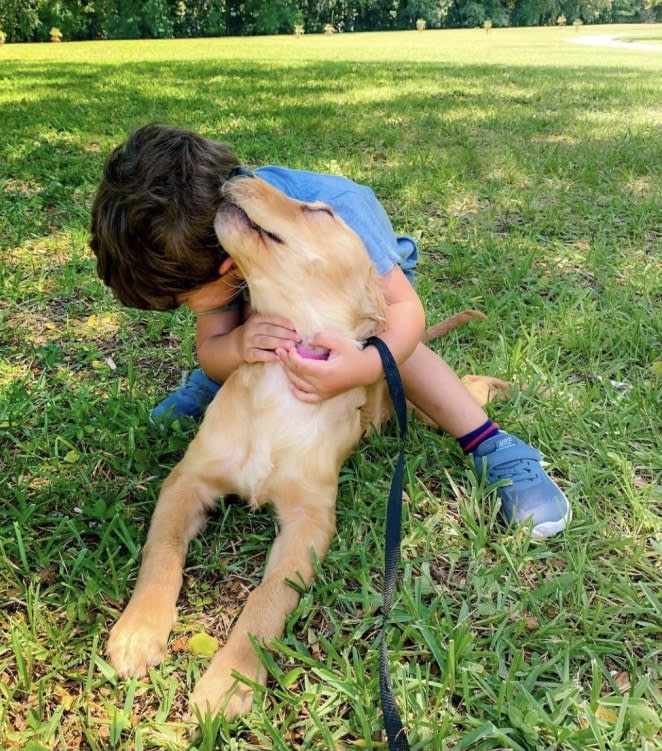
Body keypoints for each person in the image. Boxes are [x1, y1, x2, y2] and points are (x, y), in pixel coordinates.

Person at [90, 124, 570, 539]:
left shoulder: (338, 208)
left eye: (184, 301)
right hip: (261, 290)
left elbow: (407, 311)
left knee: (395, 348)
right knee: (235, 340)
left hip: (356, 292)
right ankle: (216, 386)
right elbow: (209, 345)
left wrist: (365, 363)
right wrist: (234, 347)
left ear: (227, 263)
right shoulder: (198, 237)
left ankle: (491, 443)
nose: (187, 309)